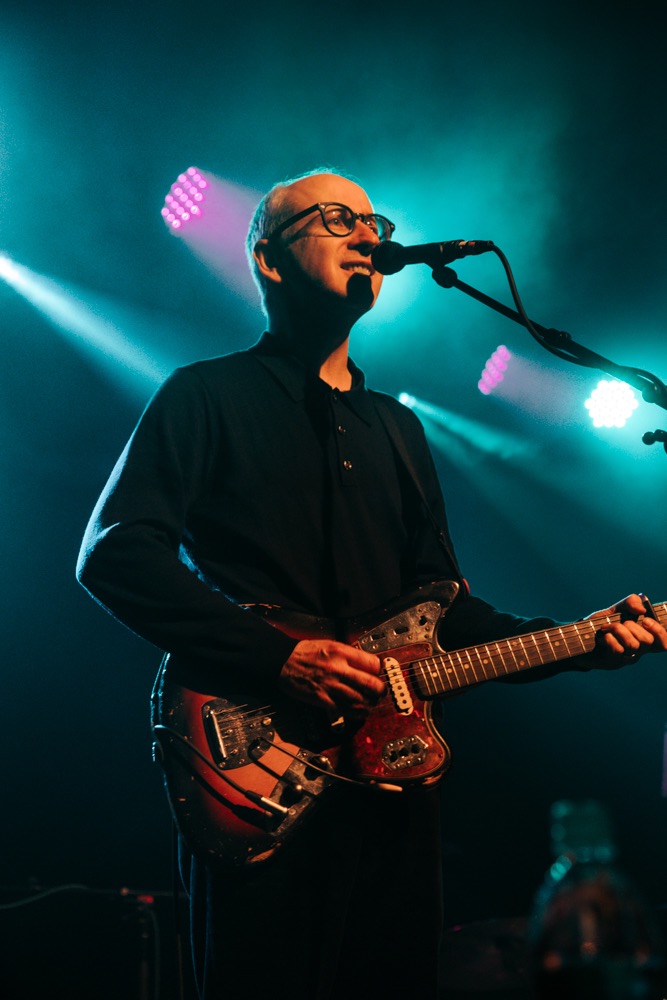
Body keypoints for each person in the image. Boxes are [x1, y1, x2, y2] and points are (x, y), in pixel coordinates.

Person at [76, 168, 667, 1000]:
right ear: (269, 262)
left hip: (392, 780)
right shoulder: (205, 394)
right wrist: (279, 659)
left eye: (370, 219)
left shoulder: (398, 428)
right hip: (259, 773)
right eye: (332, 218)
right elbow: (114, 554)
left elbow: (443, 614)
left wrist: (582, 643)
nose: (364, 233)